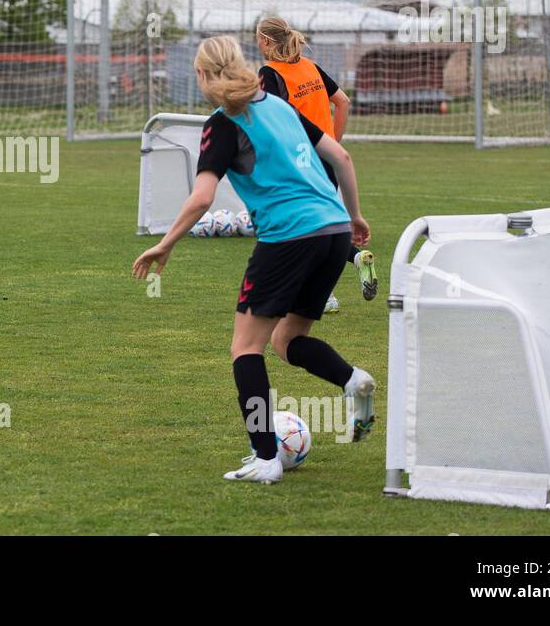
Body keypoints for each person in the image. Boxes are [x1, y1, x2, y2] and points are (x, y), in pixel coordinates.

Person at [133, 36, 376, 484]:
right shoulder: (280, 106)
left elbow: (203, 197)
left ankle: (265, 458)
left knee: (245, 347)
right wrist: (355, 216)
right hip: (334, 232)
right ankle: (351, 379)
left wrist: (165, 242)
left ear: (203, 76)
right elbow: (341, 155)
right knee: (288, 340)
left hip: (289, 237)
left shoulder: (223, 123)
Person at [254, 16, 376, 312]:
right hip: (325, 155)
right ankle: (352, 263)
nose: (257, 43)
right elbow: (343, 101)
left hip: (298, 158)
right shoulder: (310, 67)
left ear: (267, 41)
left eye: (257, 37)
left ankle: (322, 294)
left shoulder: (270, 72)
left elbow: (273, 117)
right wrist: (334, 142)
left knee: (301, 227)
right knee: (318, 223)